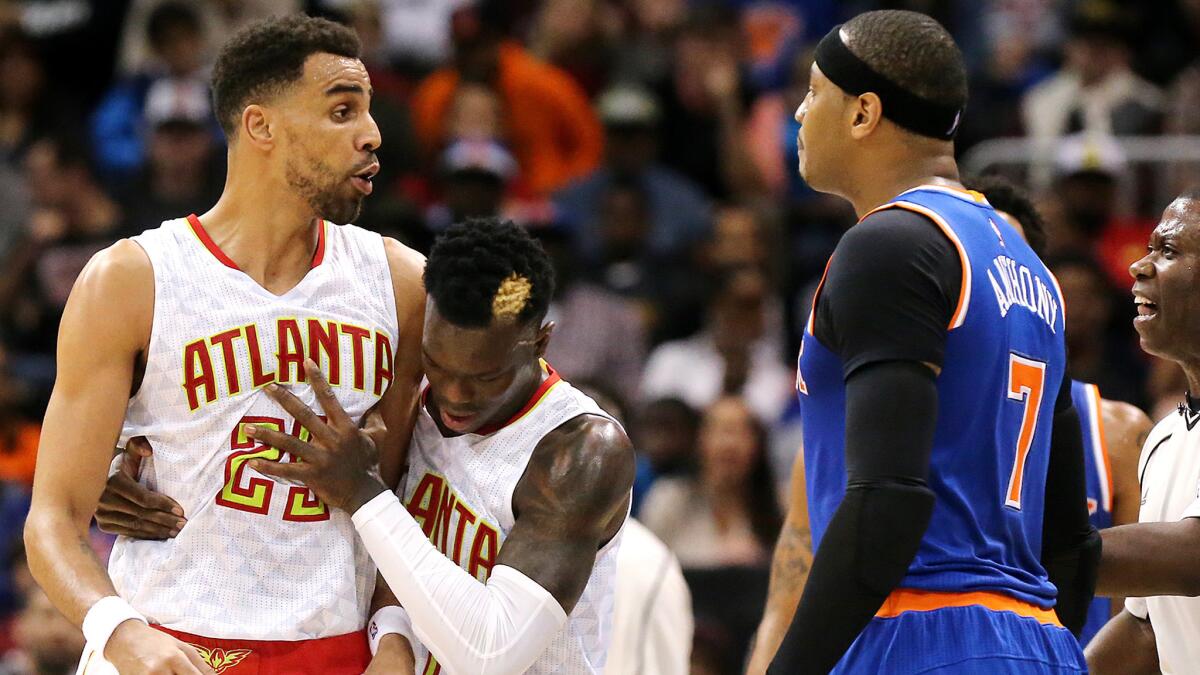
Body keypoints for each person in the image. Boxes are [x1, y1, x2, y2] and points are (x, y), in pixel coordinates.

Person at [23, 15, 426, 674]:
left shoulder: (402, 282)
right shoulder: (132, 279)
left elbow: (410, 495)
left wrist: (395, 634)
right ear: (260, 126)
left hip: (333, 645)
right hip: (166, 641)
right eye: (342, 110)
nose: (372, 134)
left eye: (369, 111)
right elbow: (51, 522)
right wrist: (124, 634)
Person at [101, 218, 637, 674]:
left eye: (486, 377)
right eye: (438, 366)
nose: (454, 396)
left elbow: (491, 651)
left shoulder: (580, 451)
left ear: (540, 340)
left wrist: (362, 492)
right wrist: (122, 472)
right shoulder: (416, 404)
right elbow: (411, 557)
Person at [768, 11, 1097, 673]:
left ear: (863, 112)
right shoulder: (1032, 269)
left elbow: (889, 496)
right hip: (1040, 641)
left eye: (812, 92)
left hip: (914, 628)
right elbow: (1071, 540)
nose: (800, 114)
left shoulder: (892, 244)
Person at [1085, 192, 1200, 673]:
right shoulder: (1165, 436)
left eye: (1168, 251)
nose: (1139, 266)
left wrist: (1013, 549)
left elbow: (1191, 559)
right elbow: (1145, 627)